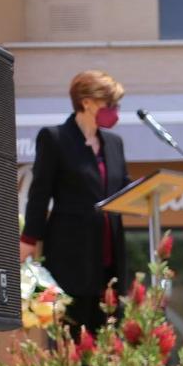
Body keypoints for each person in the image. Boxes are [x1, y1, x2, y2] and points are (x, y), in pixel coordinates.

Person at [20, 70, 130, 342]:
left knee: (107, 345)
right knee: (72, 341)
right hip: (70, 258)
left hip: (109, 262)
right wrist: (28, 240)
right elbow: (39, 193)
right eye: (109, 104)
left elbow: (123, 187)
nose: (114, 111)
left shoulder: (114, 144)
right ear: (87, 102)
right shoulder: (55, 138)